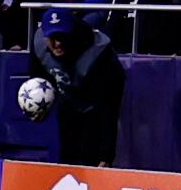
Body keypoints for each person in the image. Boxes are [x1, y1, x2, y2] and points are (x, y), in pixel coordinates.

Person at [24, 13, 125, 167]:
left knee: (91, 157)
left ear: (71, 34)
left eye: (62, 36)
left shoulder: (99, 55)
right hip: (68, 99)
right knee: (67, 156)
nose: (58, 43)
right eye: (52, 37)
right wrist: (39, 105)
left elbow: (109, 107)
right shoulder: (39, 44)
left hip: (95, 101)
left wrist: (106, 154)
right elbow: (38, 78)